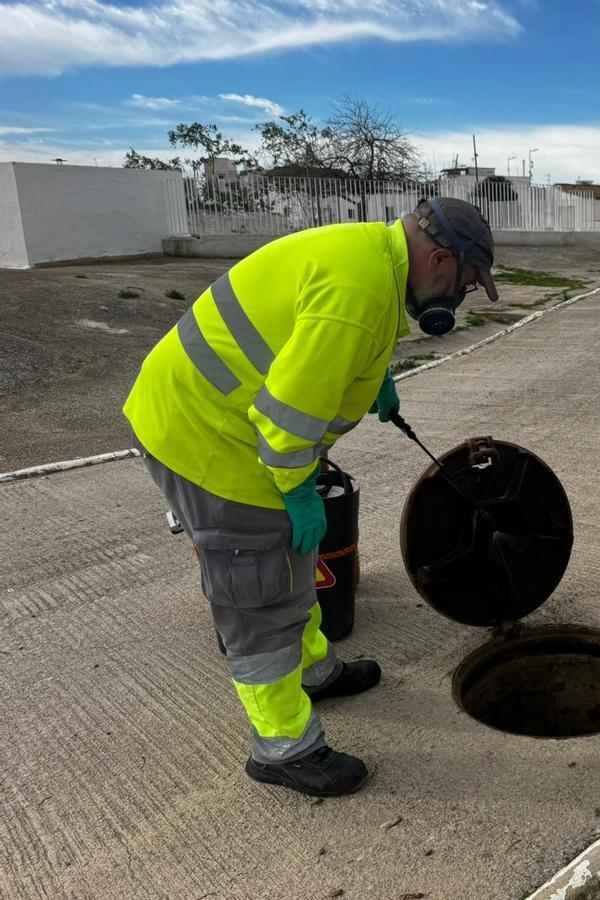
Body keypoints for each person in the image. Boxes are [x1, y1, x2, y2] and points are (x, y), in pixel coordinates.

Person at [123, 198, 499, 797]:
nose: (460, 299)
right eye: (465, 283)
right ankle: (283, 748)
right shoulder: (359, 293)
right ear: (438, 257)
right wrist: (298, 493)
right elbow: (286, 422)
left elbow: (307, 336)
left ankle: (313, 670)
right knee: (259, 592)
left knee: (295, 559)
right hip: (207, 438)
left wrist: (371, 374)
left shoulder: (372, 258)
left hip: (223, 420)